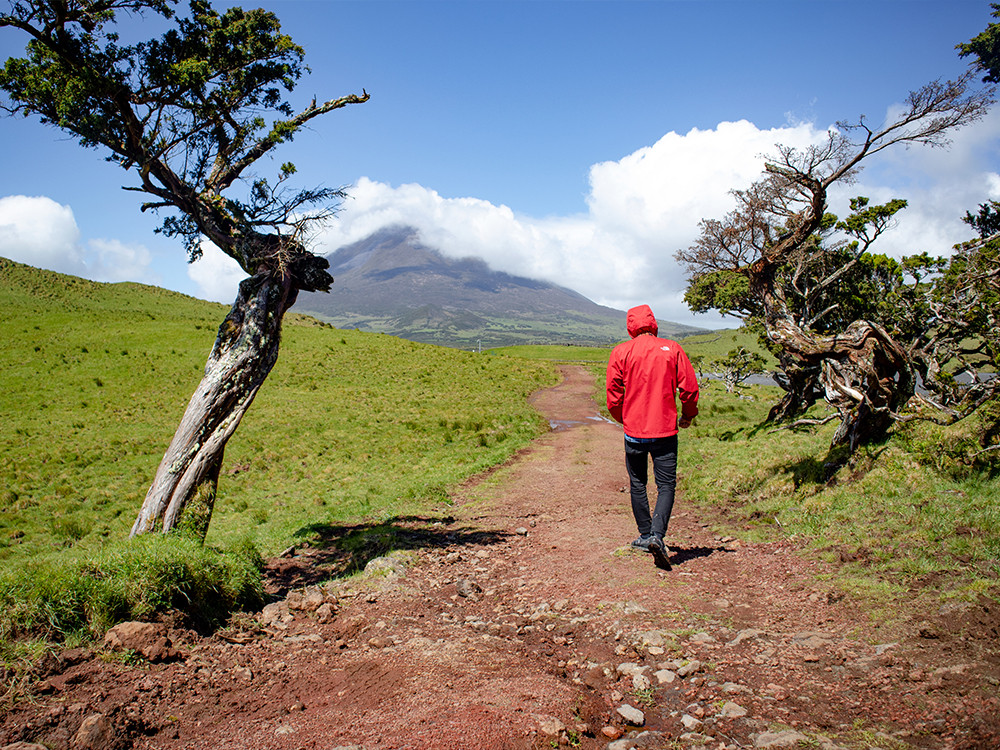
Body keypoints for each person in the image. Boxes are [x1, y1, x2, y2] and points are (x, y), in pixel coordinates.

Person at [606, 304, 699, 569]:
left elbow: (613, 394)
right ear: (653, 322)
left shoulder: (620, 351)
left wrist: (624, 419)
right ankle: (657, 536)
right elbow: (689, 388)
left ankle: (645, 535)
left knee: (638, 483)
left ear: (630, 325)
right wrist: (688, 415)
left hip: (634, 433)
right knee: (666, 485)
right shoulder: (673, 348)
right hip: (665, 431)